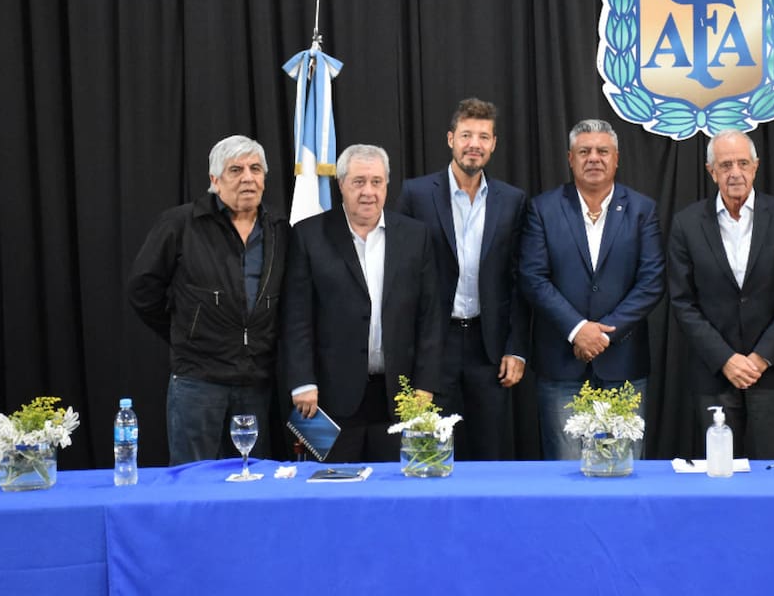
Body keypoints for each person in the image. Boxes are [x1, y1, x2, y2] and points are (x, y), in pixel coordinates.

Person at [127, 135, 289, 465]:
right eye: (236, 170)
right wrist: (187, 330)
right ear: (215, 180)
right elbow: (143, 289)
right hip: (199, 382)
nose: (248, 177)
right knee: (193, 482)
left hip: (256, 381)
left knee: (249, 482)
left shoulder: (279, 228)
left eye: (256, 169)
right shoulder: (181, 223)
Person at [281, 144, 443, 463]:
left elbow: (430, 317)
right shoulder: (308, 235)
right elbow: (296, 317)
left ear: (387, 185)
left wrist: (426, 384)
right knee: (333, 494)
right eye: (358, 182)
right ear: (341, 184)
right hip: (327, 397)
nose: (368, 191)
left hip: (400, 396)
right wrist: (302, 380)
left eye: (376, 181)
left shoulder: (416, 236)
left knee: (394, 495)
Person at [519, 118, 665, 460]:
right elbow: (533, 278)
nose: (594, 158)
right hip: (561, 365)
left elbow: (652, 280)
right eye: (584, 151)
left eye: (603, 151)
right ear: (570, 158)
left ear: (617, 158)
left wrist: (603, 336)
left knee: (623, 471)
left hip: (623, 363)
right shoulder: (543, 209)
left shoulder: (642, 210)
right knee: (567, 476)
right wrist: (578, 330)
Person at [396, 98, 529, 460]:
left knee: (490, 453)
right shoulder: (416, 194)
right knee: (430, 450)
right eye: (467, 135)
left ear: (494, 144)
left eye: (483, 137)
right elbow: (400, 278)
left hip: (489, 349)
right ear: (451, 139)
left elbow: (519, 280)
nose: (475, 144)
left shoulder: (513, 200)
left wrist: (516, 347)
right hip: (433, 344)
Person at [667, 130, 774, 460]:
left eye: (743, 163)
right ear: (711, 170)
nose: (735, 172)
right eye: (726, 164)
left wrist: (760, 358)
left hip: (772, 373)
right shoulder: (686, 224)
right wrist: (726, 359)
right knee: (718, 476)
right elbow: (683, 302)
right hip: (714, 373)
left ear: (756, 166)